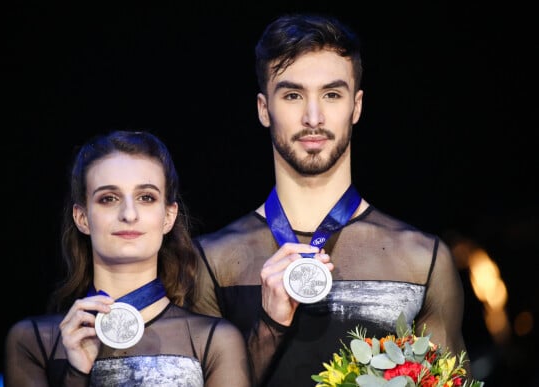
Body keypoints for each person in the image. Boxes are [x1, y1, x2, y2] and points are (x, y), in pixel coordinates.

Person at [190, 13, 472, 387]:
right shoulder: (211, 261)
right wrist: (269, 327)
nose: (312, 117)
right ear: (263, 109)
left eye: (332, 94)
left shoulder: (422, 260)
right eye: (292, 95)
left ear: (356, 107)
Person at [4, 130, 253, 387]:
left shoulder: (213, 340)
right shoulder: (34, 340)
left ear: (168, 216)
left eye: (146, 197)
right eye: (108, 199)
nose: (129, 214)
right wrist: (77, 374)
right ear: (82, 218)